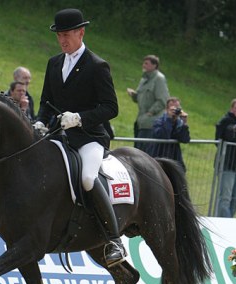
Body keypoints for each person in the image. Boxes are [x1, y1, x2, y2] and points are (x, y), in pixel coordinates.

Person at [35, 8, 125, 267]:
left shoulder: (97, 66)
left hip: (89, 137)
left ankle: (114, 239)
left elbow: (111, 107)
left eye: (67, 35)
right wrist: (40, 120)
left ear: (80, 33)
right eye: (59, 35)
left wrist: (80, 117)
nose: (62, 40)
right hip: (59, 136)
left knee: (87, 178)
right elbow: (46, 101)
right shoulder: (54, 63)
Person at [127, 55, 169, 152]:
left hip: (151, 123)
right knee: (137, 151)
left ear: (154, 66)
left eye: (147, 63)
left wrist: (150, 113)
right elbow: (140, 98)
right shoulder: (144, 79)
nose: (144, 65)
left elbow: (163, 100)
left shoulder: (159, 79)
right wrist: (134, 95)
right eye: (144, 63)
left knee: (144, 153)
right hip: (140, 121)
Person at [146, 97, 190, 171]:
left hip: (174, 158)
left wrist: (184, 124)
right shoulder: (159, 121)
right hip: (158, 157)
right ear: (166, 109)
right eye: (173, 108)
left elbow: (185, 139)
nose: (175, 111)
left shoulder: (179, 123)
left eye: (177, 108)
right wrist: (169, 119)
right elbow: (164, 136)